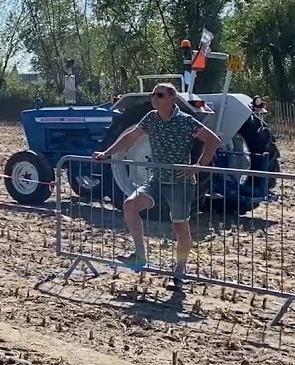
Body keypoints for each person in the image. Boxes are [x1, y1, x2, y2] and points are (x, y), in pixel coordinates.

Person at [93, 82, 219, 283]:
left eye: (159, 95)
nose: (154, 98)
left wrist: (198, 166)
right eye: (153, 94)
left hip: (180, 183)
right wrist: (106, 153)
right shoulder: (151, 118)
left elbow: (213, 140)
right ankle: (140, 256)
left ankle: (179, 271)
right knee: (130, 204)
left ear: (171, 98)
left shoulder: (186, 121)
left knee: (180, 227)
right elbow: (130, 137)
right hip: (157, 179)